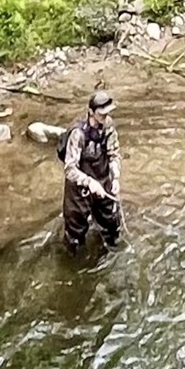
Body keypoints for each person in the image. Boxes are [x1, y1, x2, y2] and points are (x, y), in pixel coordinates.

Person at [61, 88, 123, 253]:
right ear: (91, 112)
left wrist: (115, 177)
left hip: (103, 179)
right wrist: (89, 182)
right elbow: (69, 169)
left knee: (111, 223)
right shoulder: (78, 134)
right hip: (79, 189)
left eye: (108, 113)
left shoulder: (109, 127)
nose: (106, 117)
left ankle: (111, 251)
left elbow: (114, 154)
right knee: (75, 233)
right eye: (102, 114)